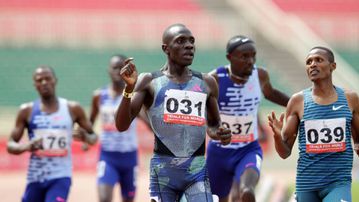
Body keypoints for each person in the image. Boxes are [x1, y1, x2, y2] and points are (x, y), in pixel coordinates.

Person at [114, 23, 231, 202]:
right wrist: (129, 88)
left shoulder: (207, 82)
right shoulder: (149, 81)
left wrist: (221, 133)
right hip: (163, 171)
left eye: (192, 41)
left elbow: (214, 125)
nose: (189, 45)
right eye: (181, 41)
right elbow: (121, 125)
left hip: (197, 170)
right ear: (166, 48)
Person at [268, 46, 359, 202]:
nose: (312, 64)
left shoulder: (350, 99)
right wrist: (277, 136)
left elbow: (358, 142)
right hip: (307, 184)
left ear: (333, 66)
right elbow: (285, 153)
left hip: (338, 183)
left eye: (319, 60)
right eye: (309, 62)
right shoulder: (298, 101)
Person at [206, 35, 289, 202]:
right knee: (218, 199)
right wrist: (215, 132)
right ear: (230, 57)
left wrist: (298, 103)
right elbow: (209, 121)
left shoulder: (260, 75)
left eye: (253, 55)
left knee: (246, 191)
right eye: (244, 56)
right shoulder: (215, 79)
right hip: (219, 152)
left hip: (248, 149)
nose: (250, 60)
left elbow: (271, 93)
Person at [7, 66, 98, 202]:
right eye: (39, 80)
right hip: (35, 177)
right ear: (35, 85)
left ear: (55, 81)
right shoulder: (26, 111)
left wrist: (85, 137)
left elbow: (94, 138)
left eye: (47, 78)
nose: (44, 82)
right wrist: (26, 146)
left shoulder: (72, 108)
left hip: (61, 177)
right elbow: (10, 144)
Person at [88, 54, 146, 202]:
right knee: (104, 198)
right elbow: (89, 123)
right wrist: (85, 137)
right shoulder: (99, 96)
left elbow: (148, 122)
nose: (117, 71)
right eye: (114, 68)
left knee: (128, 199)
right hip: (108, 156)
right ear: (108, 70)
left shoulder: (133, 97)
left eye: (121, 68)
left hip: (129, 157)